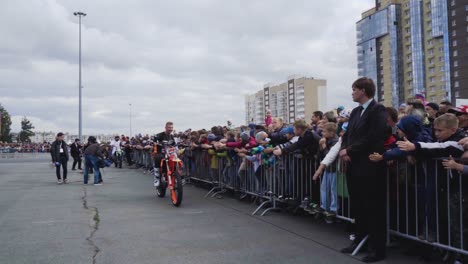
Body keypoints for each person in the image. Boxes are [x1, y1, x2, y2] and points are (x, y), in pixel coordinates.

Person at [338, 77, 388, 263]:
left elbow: (374, 136)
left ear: (363, 91)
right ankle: (359, 241)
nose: (352, 93)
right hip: (354, 165)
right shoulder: (356, 112)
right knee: (358, 205)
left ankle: (378, 249)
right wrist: (345, 150)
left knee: (373, 207)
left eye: (354, 89)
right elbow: (346, 134)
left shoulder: (378, 110)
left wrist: (350, 150)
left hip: (370, 167)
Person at [153, 121, 175, 187]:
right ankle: (156, 178)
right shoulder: (160, 135)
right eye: (169, 127)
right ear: (165, 127)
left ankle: (177, 174)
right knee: (158, 157)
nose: (170, 129)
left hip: (169, 153)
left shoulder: (171, 136)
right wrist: (156, 143)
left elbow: (174, 144)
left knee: (177, 158)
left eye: (171, 127)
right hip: (161, 152)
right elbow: (155, 141)